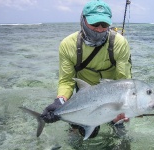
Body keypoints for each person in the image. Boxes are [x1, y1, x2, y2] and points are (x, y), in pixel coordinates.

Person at [41, 0, 132, 138]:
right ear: (82, 20)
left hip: (113, 97)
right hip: (84, 95)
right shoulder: (67, 44)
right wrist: (59, 101)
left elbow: (124, 81)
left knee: (121, 136)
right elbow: (66, 81)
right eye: (95, 24)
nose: (100, 29)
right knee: (78, 136)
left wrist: (124, 107)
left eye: (105, 24)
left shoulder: (119, 43)